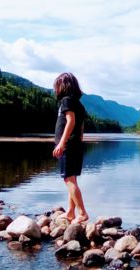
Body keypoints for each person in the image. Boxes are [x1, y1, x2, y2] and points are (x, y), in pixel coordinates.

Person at [52, 72, 89, 224]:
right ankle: (70, 212)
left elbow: (71, 121)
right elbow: (81, 125)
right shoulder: (78, 103)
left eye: (57, 86)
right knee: (71, 178)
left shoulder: (66, 101)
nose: (55, 89)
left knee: (68, 179)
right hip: (75, 144)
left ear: (64, 86)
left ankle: (82, 213)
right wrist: (79, 138)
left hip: (68, 145)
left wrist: (62, 143)